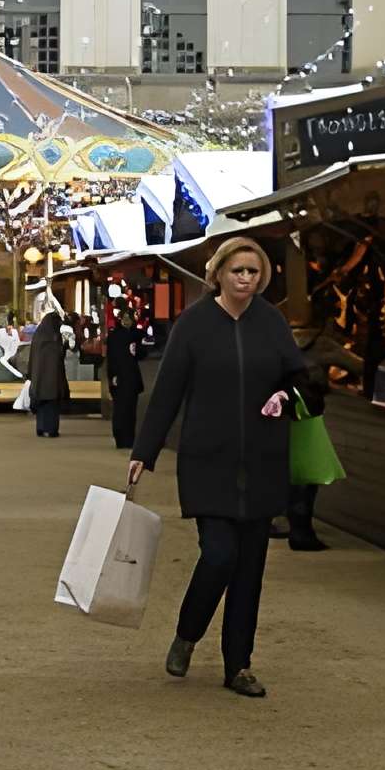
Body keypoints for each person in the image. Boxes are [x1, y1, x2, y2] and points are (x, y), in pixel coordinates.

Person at [129, 234, 312, 699]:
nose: (246, 279)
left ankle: (239, 666)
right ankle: (188, 634)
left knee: (250, 568)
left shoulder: (271, 324)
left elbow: (304, 382)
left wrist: (285, 396)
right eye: (238, 271)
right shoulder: (194, 324)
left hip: (264, 461)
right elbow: (167, 391)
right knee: (219, 554)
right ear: (219, 274)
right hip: (207, 460)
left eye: (253, 272)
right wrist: (143, 452)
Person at [283, 318, 370, 552]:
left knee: (286, 471)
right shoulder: (322, 344)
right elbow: (360, 367)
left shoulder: (273, 339)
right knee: (308, 475)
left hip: (279, 414)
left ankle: (282, 523)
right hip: (307, 412)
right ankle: (301, 531)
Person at [101, 300, 151, 450]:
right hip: (121, 377)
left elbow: (142, 353)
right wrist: (112, 376)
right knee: (122, 410)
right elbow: (111, 358)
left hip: (129, 377)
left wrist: (137, 351)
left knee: (128, 410)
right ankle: (122, 437)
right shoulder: (116, 336)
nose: (127, 321)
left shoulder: (135, 334)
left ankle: (127, 438)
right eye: (125, 318)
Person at [26, 299, 73, 438]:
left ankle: (41, 428)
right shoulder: (54, 338)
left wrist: (30, 375)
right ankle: (51, 429)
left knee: (41, 405)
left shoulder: (38, 337)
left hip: (39, 380)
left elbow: (32, 358)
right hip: (52, 381)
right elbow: (58, 357)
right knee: (51, 407)